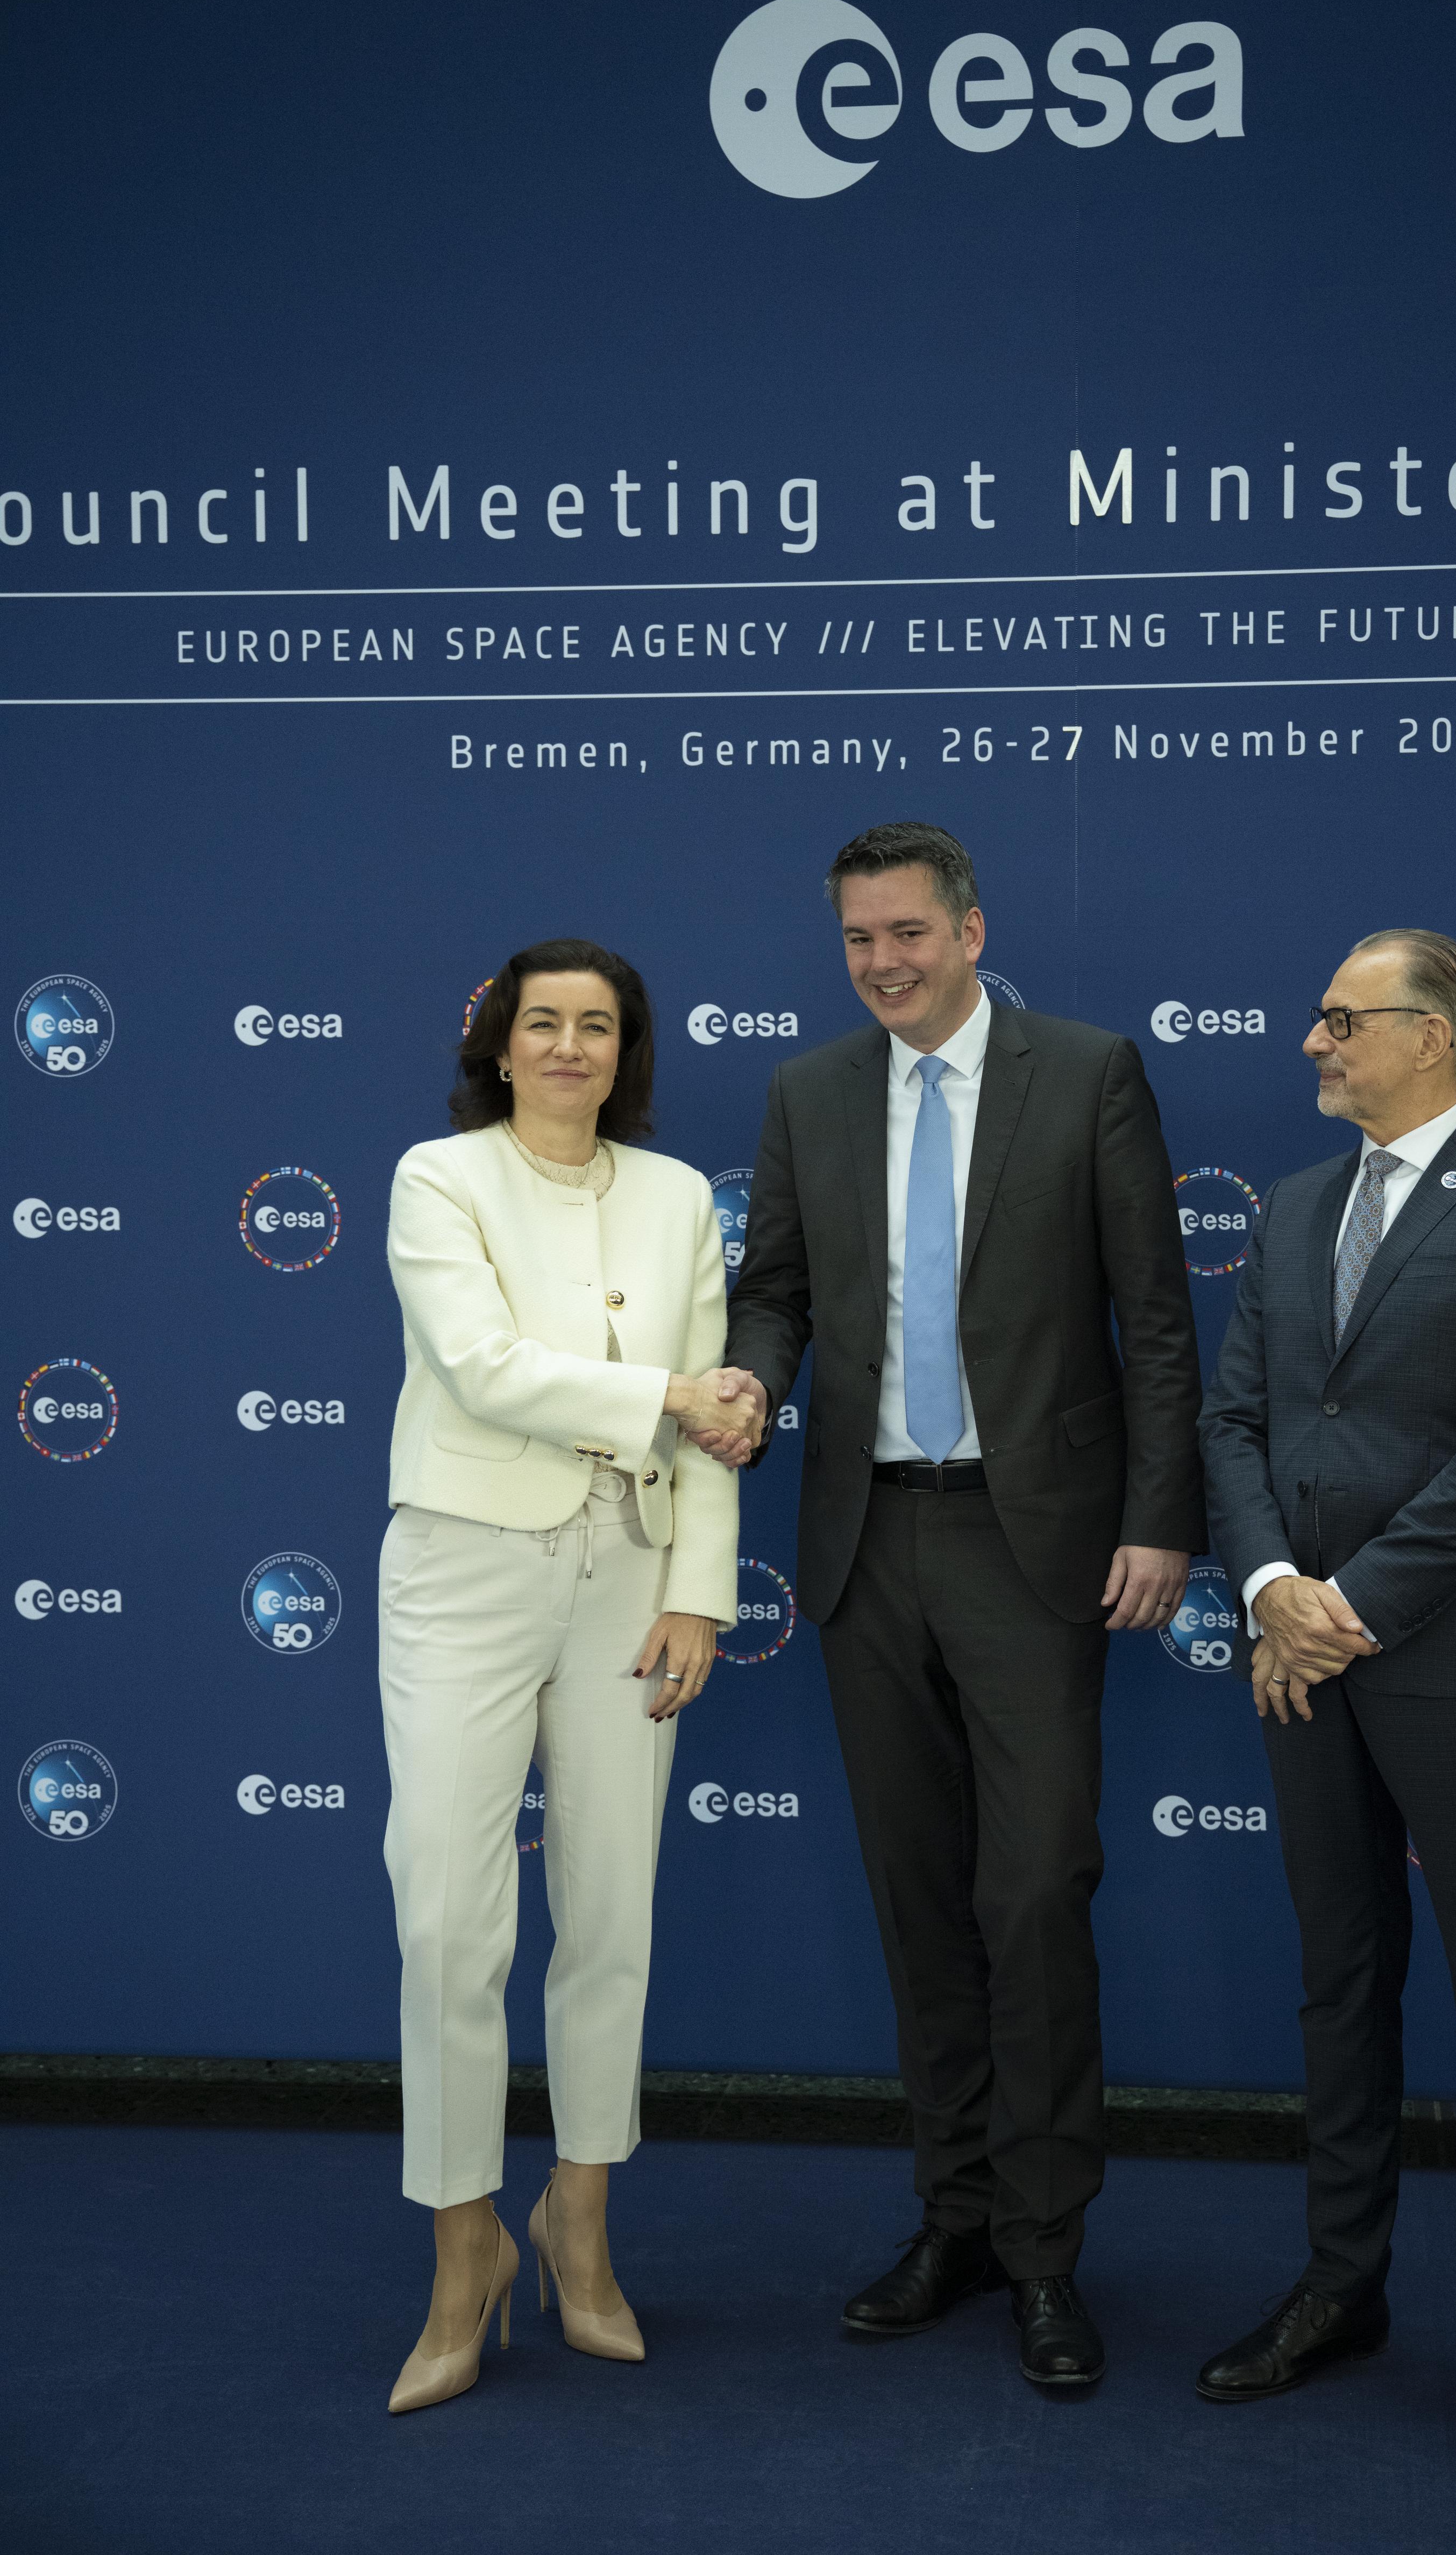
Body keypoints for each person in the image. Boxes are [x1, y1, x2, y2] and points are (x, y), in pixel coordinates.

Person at [713, 823, 1202, 2388]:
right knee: (921, 1900)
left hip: (1032, 1542)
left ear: (973, 932)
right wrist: (752, 1379)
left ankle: (1049, 2252)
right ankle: (961, 2216)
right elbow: (774, 1289)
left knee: (1035, 1892)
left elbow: (1157, 1318)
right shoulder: (809, 1091)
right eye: (860, 939)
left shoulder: (1090, 1072)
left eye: (909, 933)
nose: (884, 963)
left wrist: (1163, 1518)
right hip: (867, 1543)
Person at [1196, 929, 1456, 2475]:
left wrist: (1344, 1611)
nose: (1313, 1041)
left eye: (1341, 1019)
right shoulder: (1298, 1206)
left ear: (1432, 1037)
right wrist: (1269, 1590)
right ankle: (1342, 2288)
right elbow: (1236, 1420)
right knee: (1340, 1981)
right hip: (1296, 1650)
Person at [378, 938, 761, 2415]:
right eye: (542, 1022)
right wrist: (667, 1392)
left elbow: (717, 1421)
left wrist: (700, 1590)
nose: (568, 1047)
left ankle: (579, 2225)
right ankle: (462, 2251)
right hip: (463, 1569)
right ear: (499, 1044)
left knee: (610, 1915)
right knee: (448, 1925)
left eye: (597, 1026)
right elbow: (481, 1365)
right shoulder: (439, 1178)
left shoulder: (676, 1198)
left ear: (625, 1052)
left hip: (632, 1579)